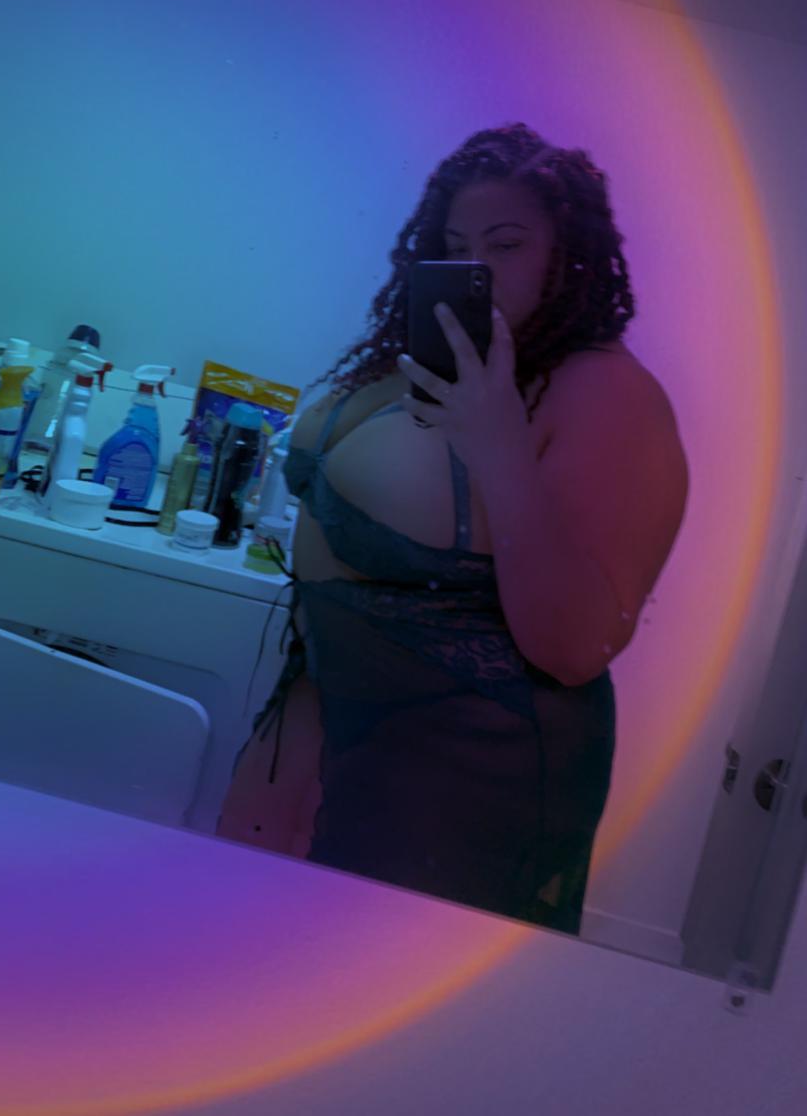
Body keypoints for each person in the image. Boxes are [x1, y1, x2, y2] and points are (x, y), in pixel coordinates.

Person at [217, 124, 689, 933]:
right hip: (323, 726)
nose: (475, 268)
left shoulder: (606, 394)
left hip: (464, 772)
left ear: (570, 253)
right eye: (454, 246)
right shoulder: (425, 360)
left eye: (504, 245)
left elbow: (575, 646)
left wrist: (499, 444)